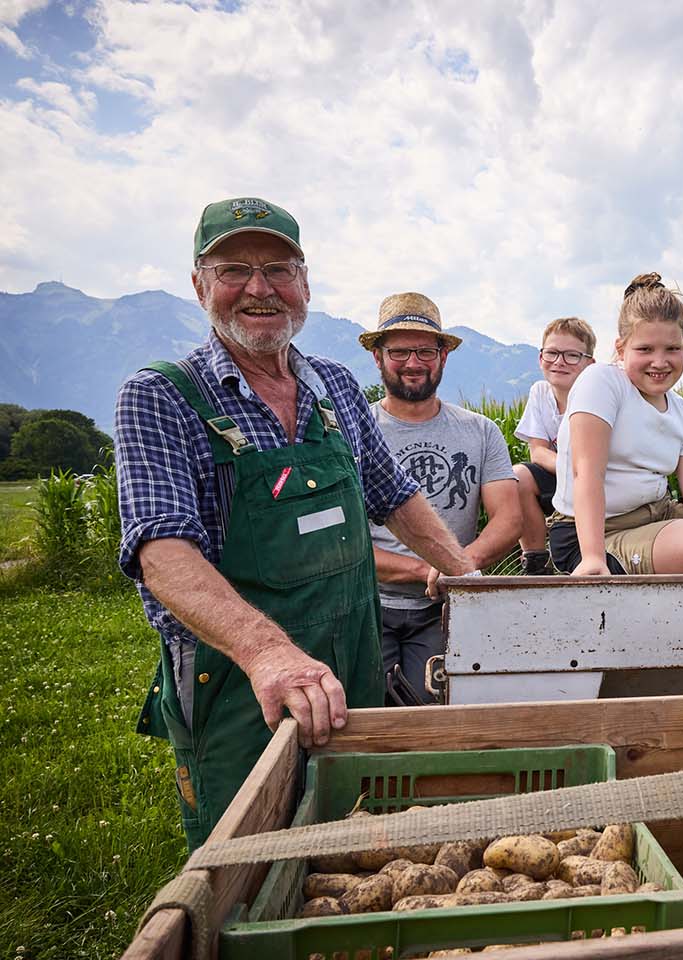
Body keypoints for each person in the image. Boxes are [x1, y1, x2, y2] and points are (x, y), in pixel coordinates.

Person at [114, 197, 477, 848]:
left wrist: (468, 576)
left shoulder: (335, 387)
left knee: (359, 839)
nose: (259, 288)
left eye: (278, 268)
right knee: (250, 857)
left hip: (355, 665)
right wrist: (269, 652)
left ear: (304, 284)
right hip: (240, 683)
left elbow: (393, 494)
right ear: (200, 284)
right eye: (234, 269)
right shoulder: (162, 394)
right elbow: (161, 550)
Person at [361, 292, 521, 703]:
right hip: (366, 606)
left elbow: (508, 520)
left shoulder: (481, 431)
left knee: (429, 707)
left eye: (426, 351)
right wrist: (424, 568)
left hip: (445, 606)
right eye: (399, 351)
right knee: (366, 710)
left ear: (443, 357)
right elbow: (342, 541)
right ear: (377, 357)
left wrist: (459, 567)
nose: (413, 363)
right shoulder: (353, 432)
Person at [549, 273, 683, 576]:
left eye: (672, 349)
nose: (660, 362)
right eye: (645, 350)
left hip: (656, 519)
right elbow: (587, 473)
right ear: (621, 348)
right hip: (592, 533)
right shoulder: (602, 383)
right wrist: (593, 558)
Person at [511, 317, 597, 575]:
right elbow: (537, 451)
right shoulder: (540, 392)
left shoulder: (597, 394)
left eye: (572, 355)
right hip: (561, 474)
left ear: (589, 364)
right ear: (540, 358)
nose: (559, 362)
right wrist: (570, 470)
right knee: (516, 478)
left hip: (597, 480)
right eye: (552, 353)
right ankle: (536, 561)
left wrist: (583, 474)